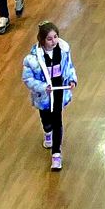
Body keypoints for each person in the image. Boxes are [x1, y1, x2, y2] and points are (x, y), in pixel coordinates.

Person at [22, 19, 77, 170]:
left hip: (59, 91)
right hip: (44, 96)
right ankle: (47, 132)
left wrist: (72, 79)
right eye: (49, 39)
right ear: (42, 40)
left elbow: (70, 67)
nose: (54, 41)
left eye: (55, 37)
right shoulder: (31, 60)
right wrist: (42, 87)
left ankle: (56, 155)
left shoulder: (64, 50)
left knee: (57, 121)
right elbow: (27, 79)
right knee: (47, 120)